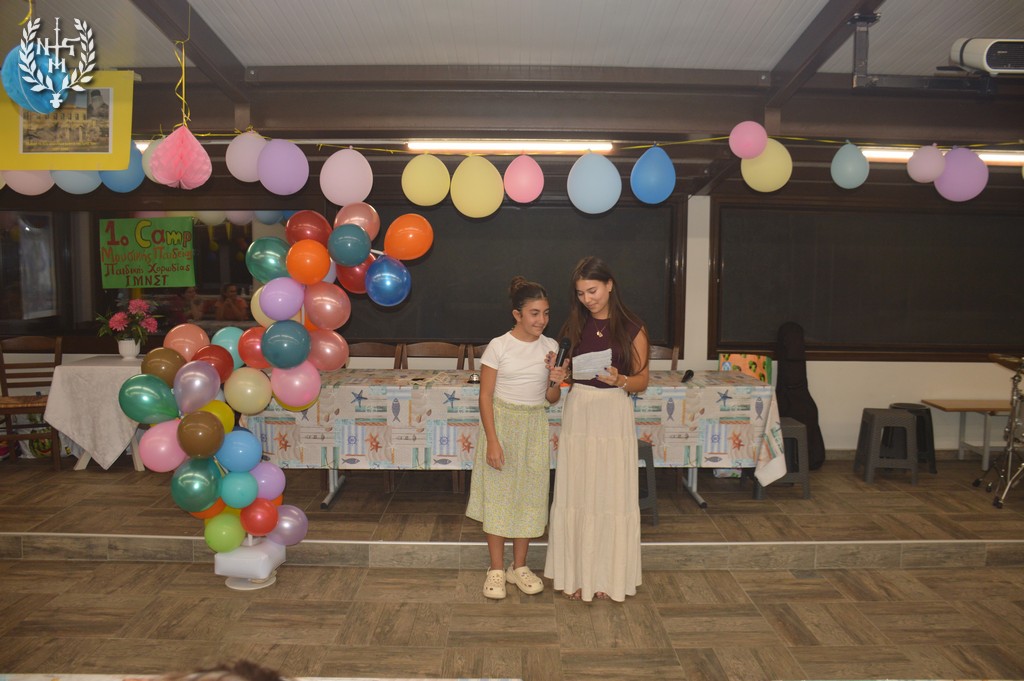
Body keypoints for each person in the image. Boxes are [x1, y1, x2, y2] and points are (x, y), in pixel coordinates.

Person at [544, 255, 649, 602]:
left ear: (609, 285)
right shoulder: (574, 326)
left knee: (609, 493)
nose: (587, 299)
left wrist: (621, 380)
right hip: (580, 411)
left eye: (593, 291)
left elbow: (642, 381)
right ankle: (576, 575)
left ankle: (607, 576)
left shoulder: (632, 327)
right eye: (580, 293)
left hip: (613, 412)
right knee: (578, 490)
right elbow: (560, 383)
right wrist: (559, 374)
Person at [465, 276, 568, 600]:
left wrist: (556, 380)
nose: (541, 320)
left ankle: (518, 566)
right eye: (534, 313)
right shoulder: (499, 346)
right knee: (498, 497)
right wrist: (493, 441)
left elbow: (552, 398)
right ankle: (496, 568)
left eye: (546, 313)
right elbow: (485, 396)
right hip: (502, 426)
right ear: (517, 314)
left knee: (529, 497)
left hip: (533, 426)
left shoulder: (552, 347)